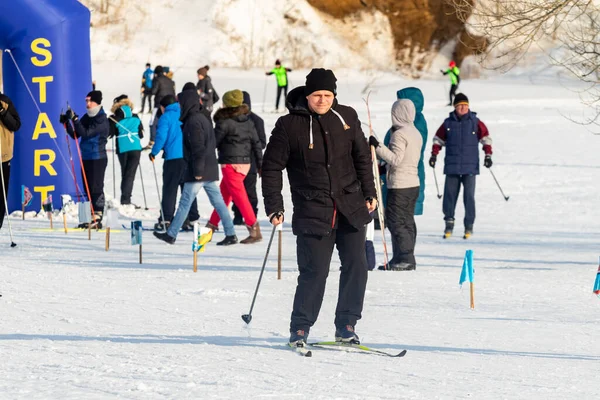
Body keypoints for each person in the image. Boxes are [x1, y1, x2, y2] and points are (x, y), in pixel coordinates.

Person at [261, 68, 377, 348]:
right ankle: (300, 328)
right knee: (314, 272)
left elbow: (362, 157)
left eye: (327, 95)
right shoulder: (288, 125)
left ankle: (347, 325)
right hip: (313, 209)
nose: (322, 100)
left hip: (351, 206)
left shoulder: (347, 117)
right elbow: (271, 167)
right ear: (307, 95)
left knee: (356, 266)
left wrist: (370, 192)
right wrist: (274, 205)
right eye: (317, 95)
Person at [154, 86, 237, 245]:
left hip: (199, 170)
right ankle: (231, 233)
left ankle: (171, 234)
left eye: (180, 102)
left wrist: (198, 171)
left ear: (187, 102)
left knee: (185, 203)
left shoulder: (193, 121)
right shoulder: (203, 117)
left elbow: (198, 148)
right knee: (219, 203)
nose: (179, 106)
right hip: (209, 168)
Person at [429, 93, 493, 239]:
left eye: (465, 105)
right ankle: (449, 224)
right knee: (449, 197)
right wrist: (434, 155)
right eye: (460, 106)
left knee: (469, 197)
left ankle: (468, 226)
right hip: (452, 167)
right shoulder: (447, 123)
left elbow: (486, 139)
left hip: (470, 167)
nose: (463, 108)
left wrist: (488, 155)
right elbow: (438, 140)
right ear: (455, 107)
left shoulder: (475, 122)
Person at [369, 99, 423, 271]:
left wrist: (377, 146)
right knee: (407, 221)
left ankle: (404, 258)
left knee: (396, 221)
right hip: (413, 183)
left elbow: (395, 159)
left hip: (400, 185)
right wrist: (384, 168)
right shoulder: (415, 132)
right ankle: (405, 256)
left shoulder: (399, 134)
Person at [207, 89, 263, 244]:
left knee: (240, 197)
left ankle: (254, 229)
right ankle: (210, 227)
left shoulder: (224, 122)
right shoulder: (248, 121)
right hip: (245, 164)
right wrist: (260, 164)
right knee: (223, 197)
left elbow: (212, 143)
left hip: (231, 164)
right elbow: (257, 144)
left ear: (227, 104)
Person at [63, 90, 110, 228]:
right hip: (86, 156)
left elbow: (86, 133)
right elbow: (77, 134)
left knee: (96, 187)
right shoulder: (88, 116)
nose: (87, 104)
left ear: (97, 102)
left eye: (90, 101)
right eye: (86, 101)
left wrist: (75, 120)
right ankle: (89, 215)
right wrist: (67, 123)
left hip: (97, 157)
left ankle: (98, 214)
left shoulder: (101, 118)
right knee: (87, 186)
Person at [149, 95, 184, 231]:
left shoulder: (166, 117)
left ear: (163, 107)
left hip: (173, 158)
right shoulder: (183, 113)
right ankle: (189, 219)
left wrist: (154, 152)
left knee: (170, 189)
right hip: (186, 158)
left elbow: (161, 137)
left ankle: (166, 219)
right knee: (187, 190)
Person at [232, 91, 266, 225]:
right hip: (235, 162)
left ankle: (251, 216)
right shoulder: (233, 120)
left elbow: (262, 142)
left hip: (251, 162)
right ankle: (238, 215)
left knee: (250, 191)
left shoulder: (257, 121)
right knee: (236, 191)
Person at [108, 95, 144, 207]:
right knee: (130, 174)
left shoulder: (113, 118)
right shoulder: (136, 116)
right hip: (136, 148)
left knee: (125, 173)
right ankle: (126, 199)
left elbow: (110, 134)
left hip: (122, 148)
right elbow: (141, 135)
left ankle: (125, 199)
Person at [0, 92, 21, 230]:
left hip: (3, 155)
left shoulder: (4, 101)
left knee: (1, 193)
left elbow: (16, 125)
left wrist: (2, 111)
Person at [146, 65, 176, 150]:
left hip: (159, 104)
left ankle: (153, 141)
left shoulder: (157, 80)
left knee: (153, 122)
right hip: (170, 105)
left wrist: (146, 90)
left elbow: (153, 91)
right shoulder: (170, 81)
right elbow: (173, 94)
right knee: (166, 123)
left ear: (156, 73)